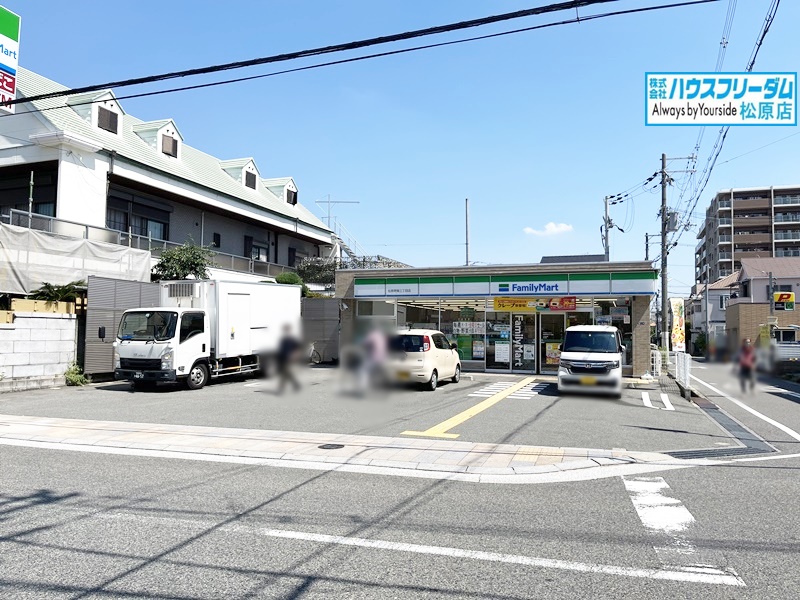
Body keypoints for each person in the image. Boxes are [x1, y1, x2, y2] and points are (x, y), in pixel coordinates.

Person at [276, 324, 302, 394]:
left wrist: (294, 356)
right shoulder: (283, 339)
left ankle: (281, 389)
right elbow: (281, 350)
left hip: (288, 359)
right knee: (287, 373)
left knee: (284, 374)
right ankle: (296, 384)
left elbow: (297, 349)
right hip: (282, 358)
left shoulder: (292, 339)